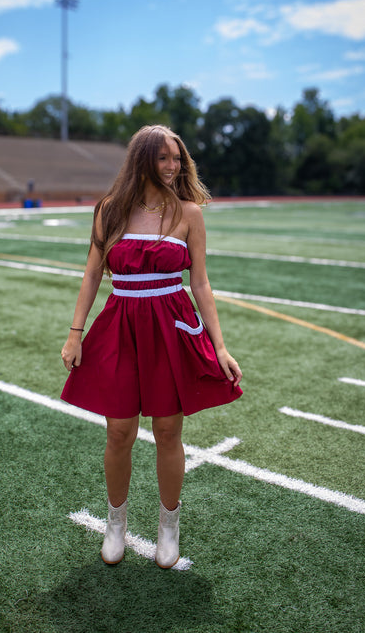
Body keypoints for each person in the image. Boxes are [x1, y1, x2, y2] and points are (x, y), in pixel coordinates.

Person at [61, 124, 243, 568]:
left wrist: (219, 347)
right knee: (119, 431)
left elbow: (200, 282)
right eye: (163, 157)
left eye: (177, 158)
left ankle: (168, 526)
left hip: (172, 328)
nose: (172, 165)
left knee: (167, 431)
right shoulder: (110, 210)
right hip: (121, 326)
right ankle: (116, 523)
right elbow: (91, 274)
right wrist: (75, 331)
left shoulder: (189, 214)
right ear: (142, 159)